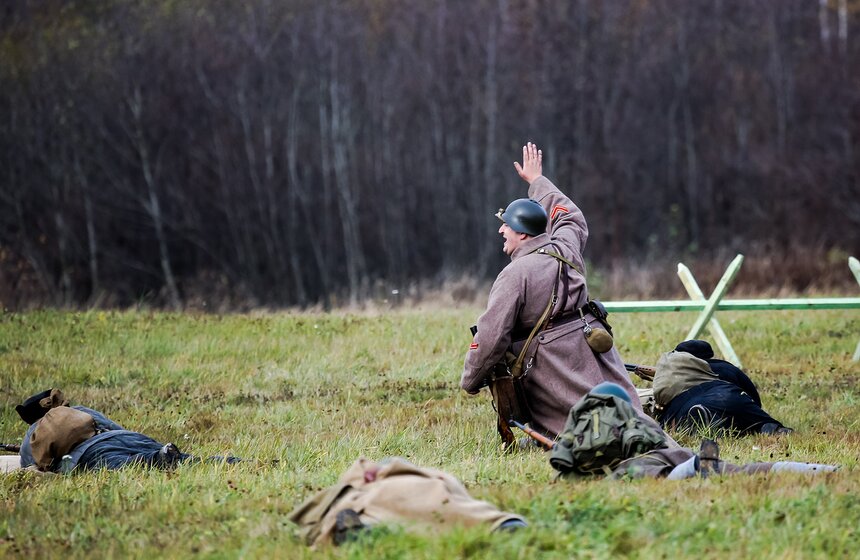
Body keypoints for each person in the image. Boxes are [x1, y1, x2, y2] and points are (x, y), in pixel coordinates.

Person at [461, 142, 656, 440]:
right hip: (591, 350)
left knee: (592, 433)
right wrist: (537, 182)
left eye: (507, 227)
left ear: (523, 233)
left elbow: (490, 338)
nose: (501, 231)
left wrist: (470, 380)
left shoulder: (513, 275)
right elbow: (570, 216)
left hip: (551, 368)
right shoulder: (566, 248)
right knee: (627, 423)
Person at [289, 457, 527, 547]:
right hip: (438, 497)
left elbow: (305, 522)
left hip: (366, 503)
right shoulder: (438, 481)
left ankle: (374, 533)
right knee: (464, 514)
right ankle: (500, 526)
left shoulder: (352, 491)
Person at [15, 389, 215, 473]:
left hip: (90, 454)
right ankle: (235, 462)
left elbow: (31, 465)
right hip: (123, 437)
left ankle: (156, 459)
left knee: (124, 465)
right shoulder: (78, 411)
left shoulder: (30, 436)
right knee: (189, 460)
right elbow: (115, 428)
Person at [654, 340, 792, 436]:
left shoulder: (667, 373)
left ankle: (710, 423)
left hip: (688, 406)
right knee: (755, 421)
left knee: (682, 419)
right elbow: (752, 395)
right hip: (730, 396)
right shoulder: (724, 367)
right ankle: (768, 427)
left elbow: (660, 412)